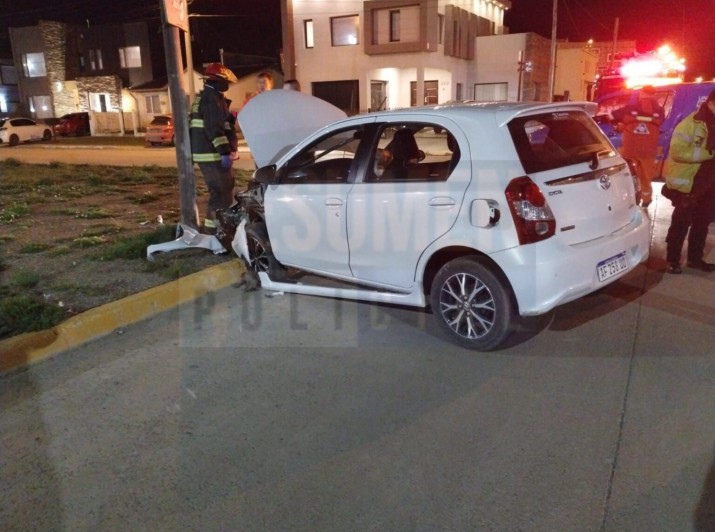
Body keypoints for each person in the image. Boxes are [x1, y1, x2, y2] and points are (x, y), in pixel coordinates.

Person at [662, 89, 715, 274]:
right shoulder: (690, 124)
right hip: (690, 183)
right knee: (681, 223)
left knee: (702, 223)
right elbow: (677, 152)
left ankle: (694, 259)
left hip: (710, 184)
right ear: (710, 104)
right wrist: (709, 154)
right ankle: (672, 260)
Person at [190, 62, 239, 235]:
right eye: (226, 82)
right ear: (219, 80)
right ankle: (216, 233)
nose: (227, 87)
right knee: (221, 194)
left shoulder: (209, 97)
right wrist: (224, 152)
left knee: (222, 192)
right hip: (212, 155)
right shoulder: (212, 99)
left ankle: (215, 230)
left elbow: (220, 125)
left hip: (209, 154)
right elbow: (214, 129)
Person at [612, 85, 665, 207]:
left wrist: (620, 126)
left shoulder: (630, 108)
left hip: (630, 150)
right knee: (646, 177)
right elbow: (657, 124)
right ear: (654, 95)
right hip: (648, 150)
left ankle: (631, 199)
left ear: (641, 93)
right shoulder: (660, 111)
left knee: (629, 175)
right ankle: (646, 199)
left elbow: (613, 116)